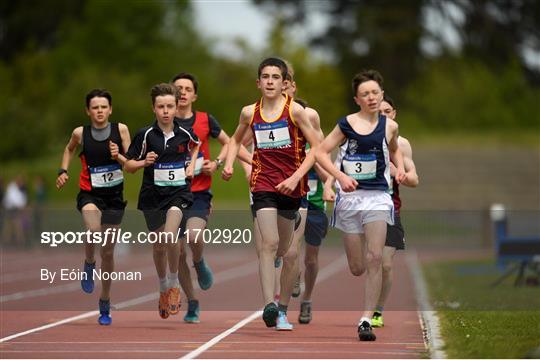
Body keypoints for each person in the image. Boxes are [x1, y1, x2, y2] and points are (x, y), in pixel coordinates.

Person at [222, 57, 320, 330]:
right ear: (258, 82)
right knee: (268, 244)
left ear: (284, 83)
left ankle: (284, 309)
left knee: (286, 252)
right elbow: (234, 140)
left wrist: (297, 177)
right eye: (265, 77)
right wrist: (229, 163)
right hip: (263, 183)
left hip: (292, 187)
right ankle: (269, 305)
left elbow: (317, 149)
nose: (270, 81)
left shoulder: (296, 112)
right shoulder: (248, 112)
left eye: (275, 77)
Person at [315, 70, 405, 341]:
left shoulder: (390, 126)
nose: (371, 97)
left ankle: (366, 318)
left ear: (380, 94)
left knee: (375, 257)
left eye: (375, 92)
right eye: (365, 94)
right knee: (357, 267)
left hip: (377, 196)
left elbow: (395, 147)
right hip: (350, 200)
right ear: (357, 99)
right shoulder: (346, 125)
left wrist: (399, 168)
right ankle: (367, 273)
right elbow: (320, 151)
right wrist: (340, 176)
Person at [171, 72, 250, 323]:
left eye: (187, 89)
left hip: (198, 193)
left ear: (194, 95)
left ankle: (199, 260)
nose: (182, 92)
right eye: (178, 88)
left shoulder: (205, 120)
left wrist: (216, 163)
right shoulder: (164, 121)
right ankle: (192, 302)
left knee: (194, 237)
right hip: (170, 194)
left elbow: (231, 142)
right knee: (176, 250)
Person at [124, 83, 199, 321]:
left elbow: (195, 147)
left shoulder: (185, 134)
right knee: (158, 246)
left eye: (170, 106)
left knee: (171, 235)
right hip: (152, 196)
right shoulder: (144, 135)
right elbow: (128, 166)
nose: (166, 111)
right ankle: (163, 286)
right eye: (161, 106)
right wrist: (144, 162)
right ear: (153, 109)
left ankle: (175, 284)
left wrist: (190, 165)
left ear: (177, 107)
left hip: (178, 193)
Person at [56, 89, 131, 325]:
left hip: (114, 198)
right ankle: (89, 263)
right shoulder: (80, 133)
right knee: (92, 230)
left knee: (107, 253)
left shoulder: (121, 130)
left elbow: (131, 163)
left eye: (103, 107)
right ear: (88, 111)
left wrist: (118, 155)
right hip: (90, 194)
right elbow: (69, 149)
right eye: (95, 107)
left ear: (110, 109)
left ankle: (105, 302)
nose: (99, 111)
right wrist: (63, 170)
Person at [371, 95, 419, 328]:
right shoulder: (360, 139)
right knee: (363, 264)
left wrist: (396, 172)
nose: (383, 117)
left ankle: (377, 311)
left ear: (394, 114)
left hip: (390, 208)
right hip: (365, 207)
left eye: (387, 112)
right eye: (378, 113)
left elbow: (414, 180)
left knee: (386, 264)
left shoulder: (402, 144)